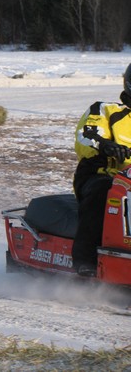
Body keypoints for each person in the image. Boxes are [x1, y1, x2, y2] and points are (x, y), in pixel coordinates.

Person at [72, 63, 131, 277]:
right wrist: (104, 145)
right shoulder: (105, 110)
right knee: (106, 191)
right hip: (101, 174)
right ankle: (84, 261)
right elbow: (86, 135)